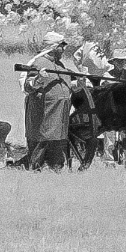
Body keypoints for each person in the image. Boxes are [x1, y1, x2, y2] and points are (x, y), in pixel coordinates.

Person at [22, 32, 80, 170]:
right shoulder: (39, 63)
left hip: (60, 117)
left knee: (58, 146)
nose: (63, 49)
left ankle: (56, 169)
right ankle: (36, 170)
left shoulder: (60, 65)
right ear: (54, 47)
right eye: (61, 46)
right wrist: (38, 78)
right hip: (45, 116)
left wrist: (77, 84)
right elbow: (28, 87)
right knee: (42, 145)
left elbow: (65, 86)